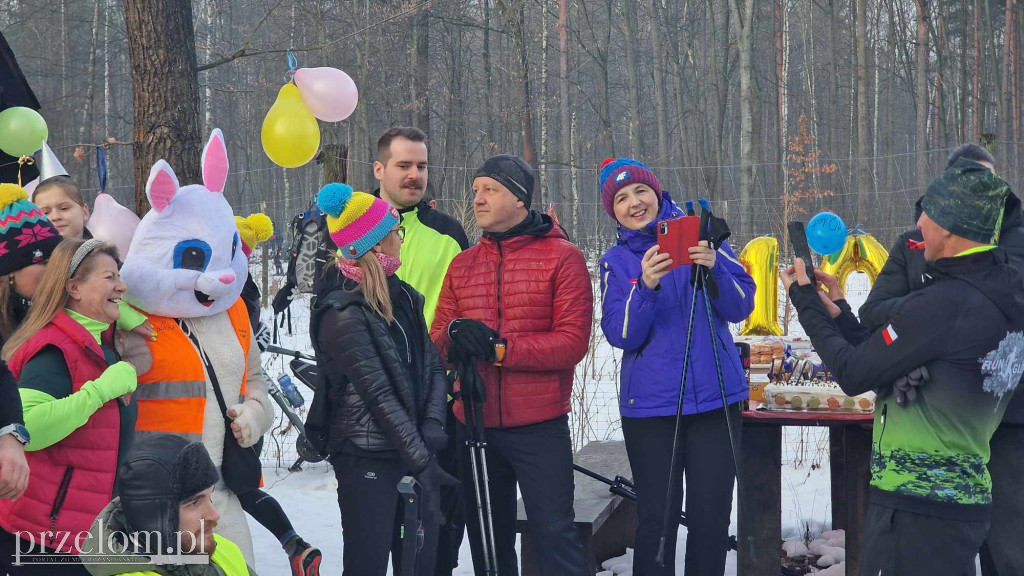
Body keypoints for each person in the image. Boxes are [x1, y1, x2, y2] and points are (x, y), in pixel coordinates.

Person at [782, 161, 1024, 576]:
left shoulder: (946, 304)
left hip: (917, 504)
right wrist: (840, 311)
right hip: (958, 500)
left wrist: (804, 301)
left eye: (926, 212)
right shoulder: (997, 293)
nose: (919, 223)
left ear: (949, 225)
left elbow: (855, 373)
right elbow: (884, 359)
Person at [859, 148, 1024, 576]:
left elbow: (1002, 311)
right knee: (938, 551)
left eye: (986, 183)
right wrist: (921, 335)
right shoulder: (915, 239)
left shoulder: (1018, 240)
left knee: (1009, 550)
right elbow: (874, 308)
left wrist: (935, 324)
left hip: (1007, 419)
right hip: (931, 424)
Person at [118, 130, 275, 566]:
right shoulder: (127, 318)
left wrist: (256, 416)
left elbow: (256, 381)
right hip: (155, 501)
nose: (222, 276)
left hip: (220, 493)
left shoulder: (235, 312)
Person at [430, 154, 592, 576]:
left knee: (555, 534)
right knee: (487, 540)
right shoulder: (462, 264)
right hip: (474, 424)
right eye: (476, 190)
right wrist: (453, 339)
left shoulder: (563, 257)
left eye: (490, 190)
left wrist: (500, 350)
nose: (477, 199)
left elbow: (572, 343)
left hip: (539, 425)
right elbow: (437, 339)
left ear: (520, 200)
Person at [597, 158, 754, 575]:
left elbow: (742, 305)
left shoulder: (701, 233)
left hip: (715, 400)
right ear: (613, 211)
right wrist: (644, 286)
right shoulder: (617, 261)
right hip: (651, 409)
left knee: (712, 518)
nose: (634, 203)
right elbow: (620, 333)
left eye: (640, 192)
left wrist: (714, 262)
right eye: (622, 199)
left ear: (657, 192)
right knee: (657, 521)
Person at [306, 183, 452, 575]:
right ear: (375, 245)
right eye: (394, 233)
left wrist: (434, 423)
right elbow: (379, 396)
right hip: (365, 453)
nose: (400, 239)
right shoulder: (341, 310)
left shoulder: (403, 295)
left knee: (419, 562)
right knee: (368, 561)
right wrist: (421, 459)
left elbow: (432, 365)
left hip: (412, 447)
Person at [0, 239, 138, 575]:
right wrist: (100, 391)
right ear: (74, 287)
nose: (121, 286)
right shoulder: (53, 348)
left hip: (81, 534)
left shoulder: (96, 343)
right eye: (109, 277)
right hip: (40, 541)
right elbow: (27, 428)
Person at [372, 126, 469, 575]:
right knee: (383, 524)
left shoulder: (449, 233)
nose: (414, 175)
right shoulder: (355, 230)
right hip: (377, 401)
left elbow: (467, 307)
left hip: (439, 400)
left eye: (422, 166)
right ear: (379, 169)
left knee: (441, 516)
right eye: (403, 165)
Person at [234, 213, 321, 576]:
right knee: (242, 488)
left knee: (223, 496)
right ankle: (295, 546)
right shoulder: (245, 284)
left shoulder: (228, 287)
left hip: (231, 408)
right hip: (249, 404)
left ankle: (290, 547)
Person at [81, 434, 257, 576]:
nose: (214, 515)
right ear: (152, 516)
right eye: (195, 503)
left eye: (209, 497)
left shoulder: (224, 550)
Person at [31, 176, 90, 241]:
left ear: (84, 212)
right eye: (45, 213)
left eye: (64, 208)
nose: (55, 217)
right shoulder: (28, 251)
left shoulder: (100, 250)